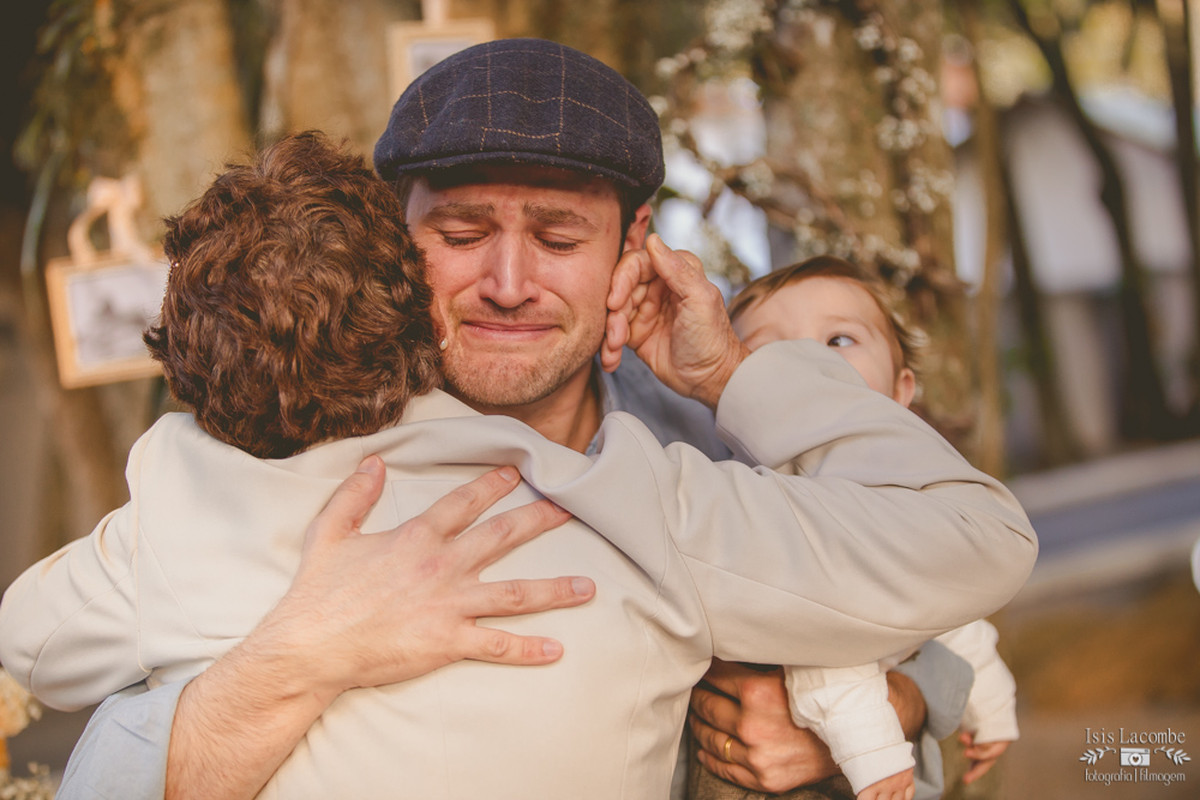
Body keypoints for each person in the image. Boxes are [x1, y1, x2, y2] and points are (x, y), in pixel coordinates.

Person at [33, 39, 1034, 799]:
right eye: (461, 233)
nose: (508, 284)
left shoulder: (691, 464)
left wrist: (884, 710)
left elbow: (960, 573)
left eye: (558, 236)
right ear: (394, 234)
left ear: (634, 244)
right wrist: (294, 657)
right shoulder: (277, 424)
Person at [687, 257, 1020, 800]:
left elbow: (951, 609)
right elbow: (825, 642)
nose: (808, 363)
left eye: (839, 340)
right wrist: (875, 753)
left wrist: (991, 702)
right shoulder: (762, 508)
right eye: (768, 353)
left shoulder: (916, 502)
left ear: (900, 393)